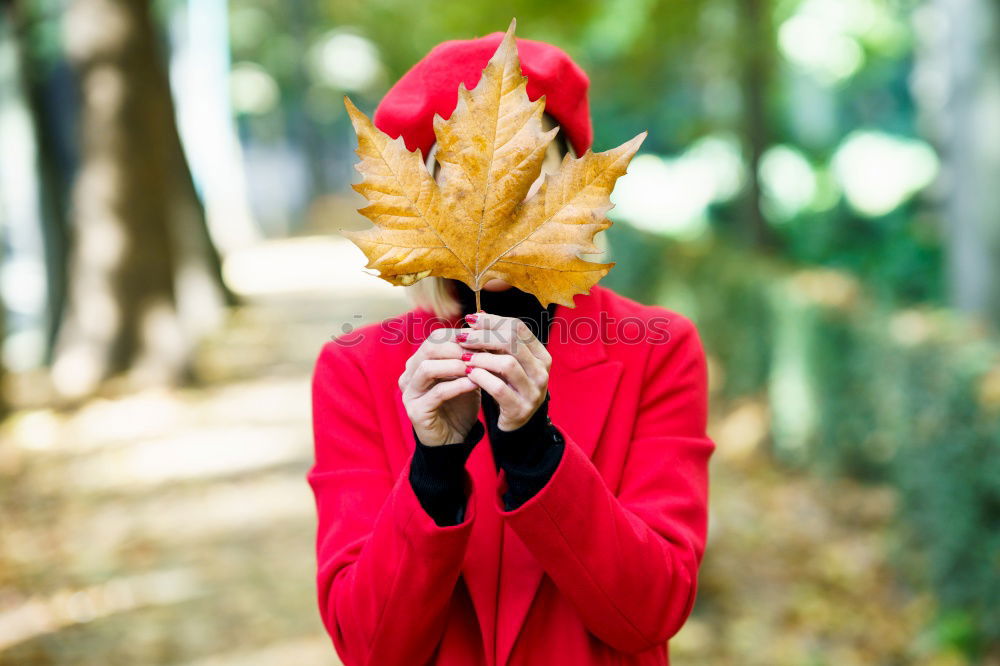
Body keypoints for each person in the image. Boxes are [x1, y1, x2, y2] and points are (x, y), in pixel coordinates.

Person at [307, 29, 716, 666]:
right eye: (458, 175)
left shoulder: (657, 350)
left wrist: (536, 452)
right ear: (419, 200)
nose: (496, 195)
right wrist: (432, 471)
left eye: (526, 171)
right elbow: (369, 647)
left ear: (574, 194)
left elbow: (654, 611)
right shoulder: (355, 369)